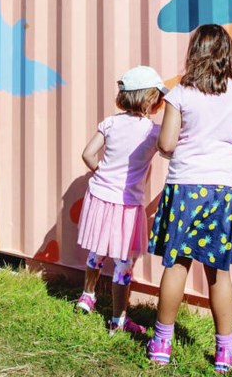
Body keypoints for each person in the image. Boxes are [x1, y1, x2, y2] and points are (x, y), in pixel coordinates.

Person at [145, 25, 232, 373]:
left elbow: (166, 144)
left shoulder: (180, 93)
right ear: (228, 56)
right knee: (219, 273)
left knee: (177, 265)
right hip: (222, 191)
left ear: (195, 53)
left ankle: (161, 344)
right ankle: (225, 351)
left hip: (185, 186)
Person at [75, 66, 166, 335]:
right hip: (127, 205)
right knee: (123, 264)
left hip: (100, 197)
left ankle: (87, 296)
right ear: (150, 99)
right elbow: (171, 151)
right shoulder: (152, 132)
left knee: (97, 251)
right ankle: (118, 320)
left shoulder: (111, 123)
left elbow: (88, 154)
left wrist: (103, 173)